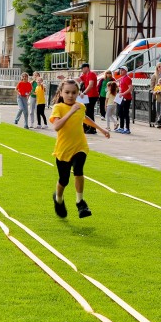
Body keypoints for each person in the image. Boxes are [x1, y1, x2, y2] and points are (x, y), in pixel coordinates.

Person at [49, 79, 110, 219]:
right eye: (67, 92)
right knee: (64, 180)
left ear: (78, 93)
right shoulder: (58, 108)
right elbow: (57, 126)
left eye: (74, 92)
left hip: (80, 146)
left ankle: (80, 202)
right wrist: (70, 111)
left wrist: (101, 129)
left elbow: (84, 118)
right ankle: (58, 199)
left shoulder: (80, 106)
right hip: (63, 149)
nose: (70, 95)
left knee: (78, 170)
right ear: (61, 93)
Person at [79, 63, 99, 134]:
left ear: (86, 68)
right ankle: (86, 127)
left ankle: (92, 128)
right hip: (87, 96)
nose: (81, 70)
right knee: (86, 112)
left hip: (92, 96)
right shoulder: (85, 75)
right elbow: (78, 79)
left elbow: (91, 85)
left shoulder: (91, 74)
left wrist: (83, 93)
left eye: (82, 68)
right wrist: (66, 78)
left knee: (89, 112)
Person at [116, 65, 133, 134]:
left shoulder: (127, 78)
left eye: (122, 70)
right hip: (121, 97)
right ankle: (121, 127)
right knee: (120, 112)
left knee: (125, 113)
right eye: (120, 70)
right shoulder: (122, 78)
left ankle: (127, 128)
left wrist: (123, 94)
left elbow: (130, 88)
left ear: (126, 71)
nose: (120, 71)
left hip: (126, 98)